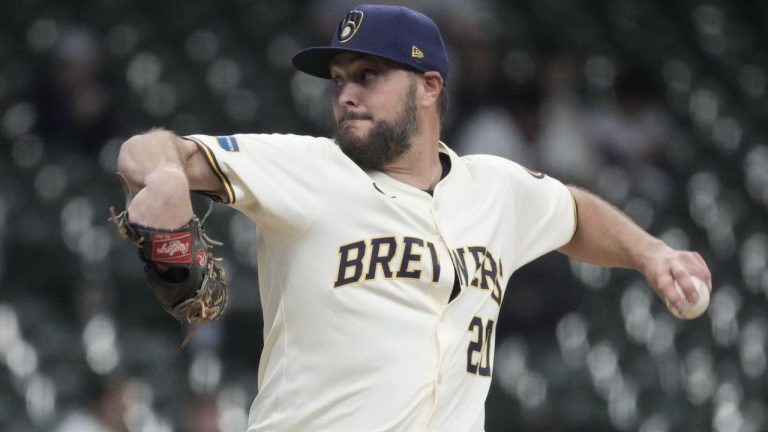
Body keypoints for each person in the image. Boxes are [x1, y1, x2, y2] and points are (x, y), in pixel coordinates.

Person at [115, 4, 711, 431]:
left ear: (429, 86)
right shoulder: (309, 168)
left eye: (369, 76)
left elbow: (575, 213)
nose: (346, 93)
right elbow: (150, 153)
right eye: (339, 80)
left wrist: (650, 253)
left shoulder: (495, 187)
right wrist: (166, 176)